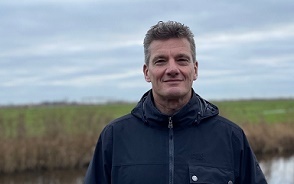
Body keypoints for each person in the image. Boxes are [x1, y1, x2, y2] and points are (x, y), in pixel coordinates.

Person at [84, 21, 267, 184]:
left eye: (181, 59)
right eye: (161, 61)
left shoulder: (231, 137)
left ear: (194, 70)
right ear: (147, 72)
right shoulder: (115, 137)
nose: (172, 69)